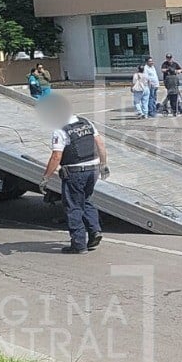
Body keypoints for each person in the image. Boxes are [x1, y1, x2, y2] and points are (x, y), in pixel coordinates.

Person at [38, 94, 108, 254]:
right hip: (93, 169)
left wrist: (45, 178)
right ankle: (95, 231)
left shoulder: (60, 130)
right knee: (87, 199)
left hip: (76, 172)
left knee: (73, 207)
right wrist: (104, 165)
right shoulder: (86, 123)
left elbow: (56, 156)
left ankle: (78, 245)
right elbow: (100, 145)